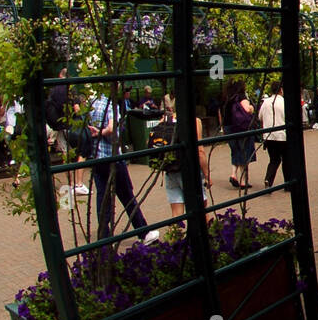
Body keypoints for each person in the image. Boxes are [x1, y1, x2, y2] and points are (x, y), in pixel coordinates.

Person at [86, 90, 159, 244]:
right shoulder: (109, 104)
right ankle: (143, 231)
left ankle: (104, 236)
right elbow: (112, 128)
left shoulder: (90, 105)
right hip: (113, 158)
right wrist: (102, 132)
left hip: (97, 158)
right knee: (127, 196)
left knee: (102, 197)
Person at [161, 95, 213, 224]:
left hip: (171, 170)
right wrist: (207, 174)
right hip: (189, 170)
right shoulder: (194, 121)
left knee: (177, 214)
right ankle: (212, 239)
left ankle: (175, 241)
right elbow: (200, 151)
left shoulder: (165, 120)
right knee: (202, 209)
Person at [47, 67, 89, 196]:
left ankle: (70, 184)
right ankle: (79, 184)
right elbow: (77, 109)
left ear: (60, 75)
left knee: (66, 155)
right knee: (81, 152)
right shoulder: (70, 90)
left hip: (59, 128)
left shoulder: (53, 91)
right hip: (72, 126)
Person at [220, 80, 256, 190]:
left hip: (228, 127)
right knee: (244, 152)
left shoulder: (226, 98)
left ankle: (233, 174)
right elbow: (247, 109)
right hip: (240, 127)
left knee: (235, 151)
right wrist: (252, 108)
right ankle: (244, 181)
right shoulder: (241, 96)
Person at [258, 82, 290, 188]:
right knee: (286, 160)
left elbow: (260, 116)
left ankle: (268, 179)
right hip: (282, 135)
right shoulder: (284, 102)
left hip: (269, 135)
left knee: (274, 160)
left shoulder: (266, 102)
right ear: (281, 90)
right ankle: (288, 183)